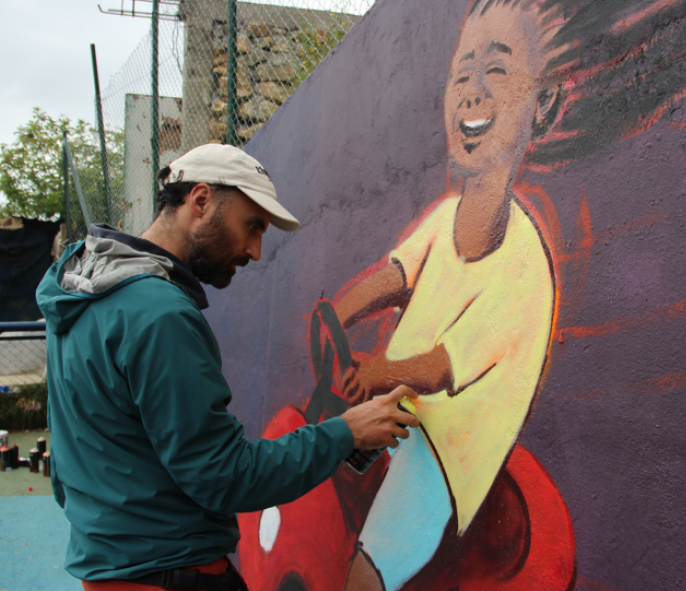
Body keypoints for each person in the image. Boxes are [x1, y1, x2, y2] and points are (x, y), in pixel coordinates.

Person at [36, 143, 418, 591]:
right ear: (200, 202)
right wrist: (346, 433)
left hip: (110, 570)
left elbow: (65, 466)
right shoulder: (159, 314)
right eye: (252, 226)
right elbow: (225, 475)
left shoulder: (84, 296)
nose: (256, 251)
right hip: (172, 574)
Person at [335, 0, 567, 589]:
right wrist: (336, 312)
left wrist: (380, 371)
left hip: (443, 454)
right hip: (405, 416)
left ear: (546, 104)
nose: (472, 92)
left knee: (366, 569)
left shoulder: (525, 266)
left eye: (496, 72)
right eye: (462, 74)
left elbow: (443, 366)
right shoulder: (445, 217)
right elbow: (394, 276)